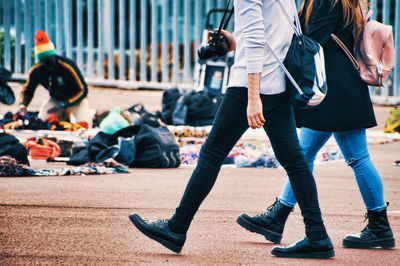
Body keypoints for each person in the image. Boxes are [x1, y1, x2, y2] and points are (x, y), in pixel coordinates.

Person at [129, 0, 334, 259]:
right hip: (278, 83)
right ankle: (317, 236)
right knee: (294, 161)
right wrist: (234, 41)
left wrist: (253, 95)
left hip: (251, 84)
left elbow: (258, 37)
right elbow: (277, 30)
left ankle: (176, 228)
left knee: (212, 153)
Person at [237, 0, 395, 250]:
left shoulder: (326, 1)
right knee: (307, 155)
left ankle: (379, 226)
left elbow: (311, 40)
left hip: (333, 88)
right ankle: (278, 217)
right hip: (340, 85)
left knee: (354, 157)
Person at [19, 30, 92, 128]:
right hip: (56, 100)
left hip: (76, 100)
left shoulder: (67, 66)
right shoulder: (37, 70)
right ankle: (63, 118)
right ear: (41, 61)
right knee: (42, 122)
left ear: (54, 55)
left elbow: (83, 89)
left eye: (50, 60)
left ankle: (67, 116)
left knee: (85, 127)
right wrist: (23, 105)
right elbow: (28, 90)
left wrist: (66, 104)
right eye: (45, 61)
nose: (49, 64)